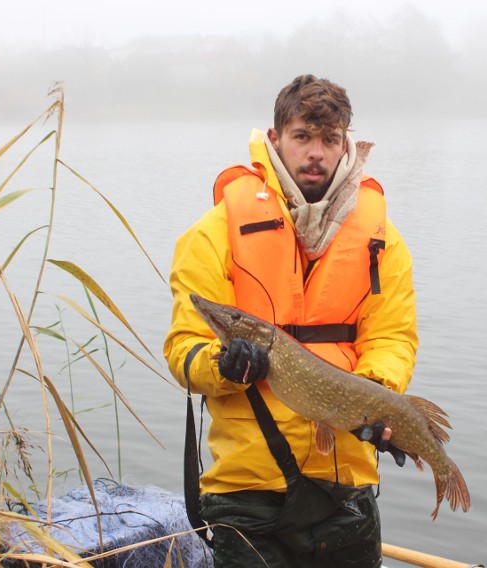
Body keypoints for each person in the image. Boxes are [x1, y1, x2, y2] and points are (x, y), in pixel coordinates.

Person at [164, 74, 418, 568]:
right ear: (276, 139)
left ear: (346, 144)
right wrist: (223, 364)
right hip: (247, 491)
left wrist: (371, 395)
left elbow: (392, 336)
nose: (316, 153)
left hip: (346, 489)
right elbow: (183, 351)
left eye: (329, 139)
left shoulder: (382, 240)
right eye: (303, 136)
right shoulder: (212, 234)